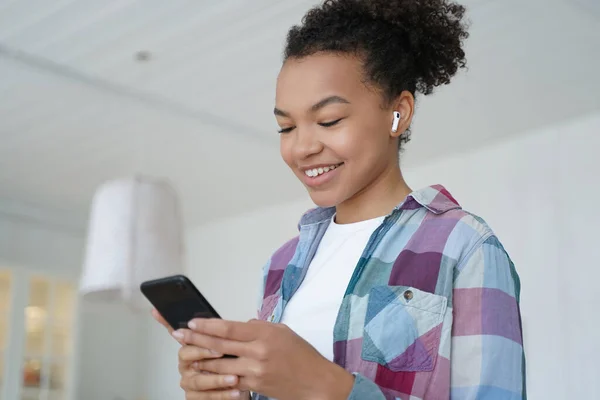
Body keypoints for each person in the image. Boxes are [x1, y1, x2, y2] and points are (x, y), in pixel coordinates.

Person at [154, 0, 526, 398]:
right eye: (286, 127)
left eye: (329, 121)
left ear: (397, 113)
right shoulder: (281, 266)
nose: (302, 148)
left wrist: (324, 385)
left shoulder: (464, 247)